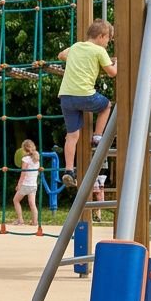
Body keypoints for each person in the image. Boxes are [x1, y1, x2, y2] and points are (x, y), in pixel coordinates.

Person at [58, 19, 117, 187]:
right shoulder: (99, 51)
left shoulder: (76, 46)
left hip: (66, 97)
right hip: (85, 95)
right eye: (108, 40)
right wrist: (117, 63)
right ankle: (97, 137)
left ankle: (69, 170)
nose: (107, 44)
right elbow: (112, 73)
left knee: (72, 136)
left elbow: (61, 55)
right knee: (106, 105)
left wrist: (75, 59)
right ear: (101, 36)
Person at [12, 139, 40, 227]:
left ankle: (20, 220)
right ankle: (35, 222)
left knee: (16, 200)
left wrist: (19, 184)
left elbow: (23, 173)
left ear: (24, 149)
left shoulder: (25, 159)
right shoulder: (36, 159)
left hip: (25, 184)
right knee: (32, 204)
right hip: (33, 185)